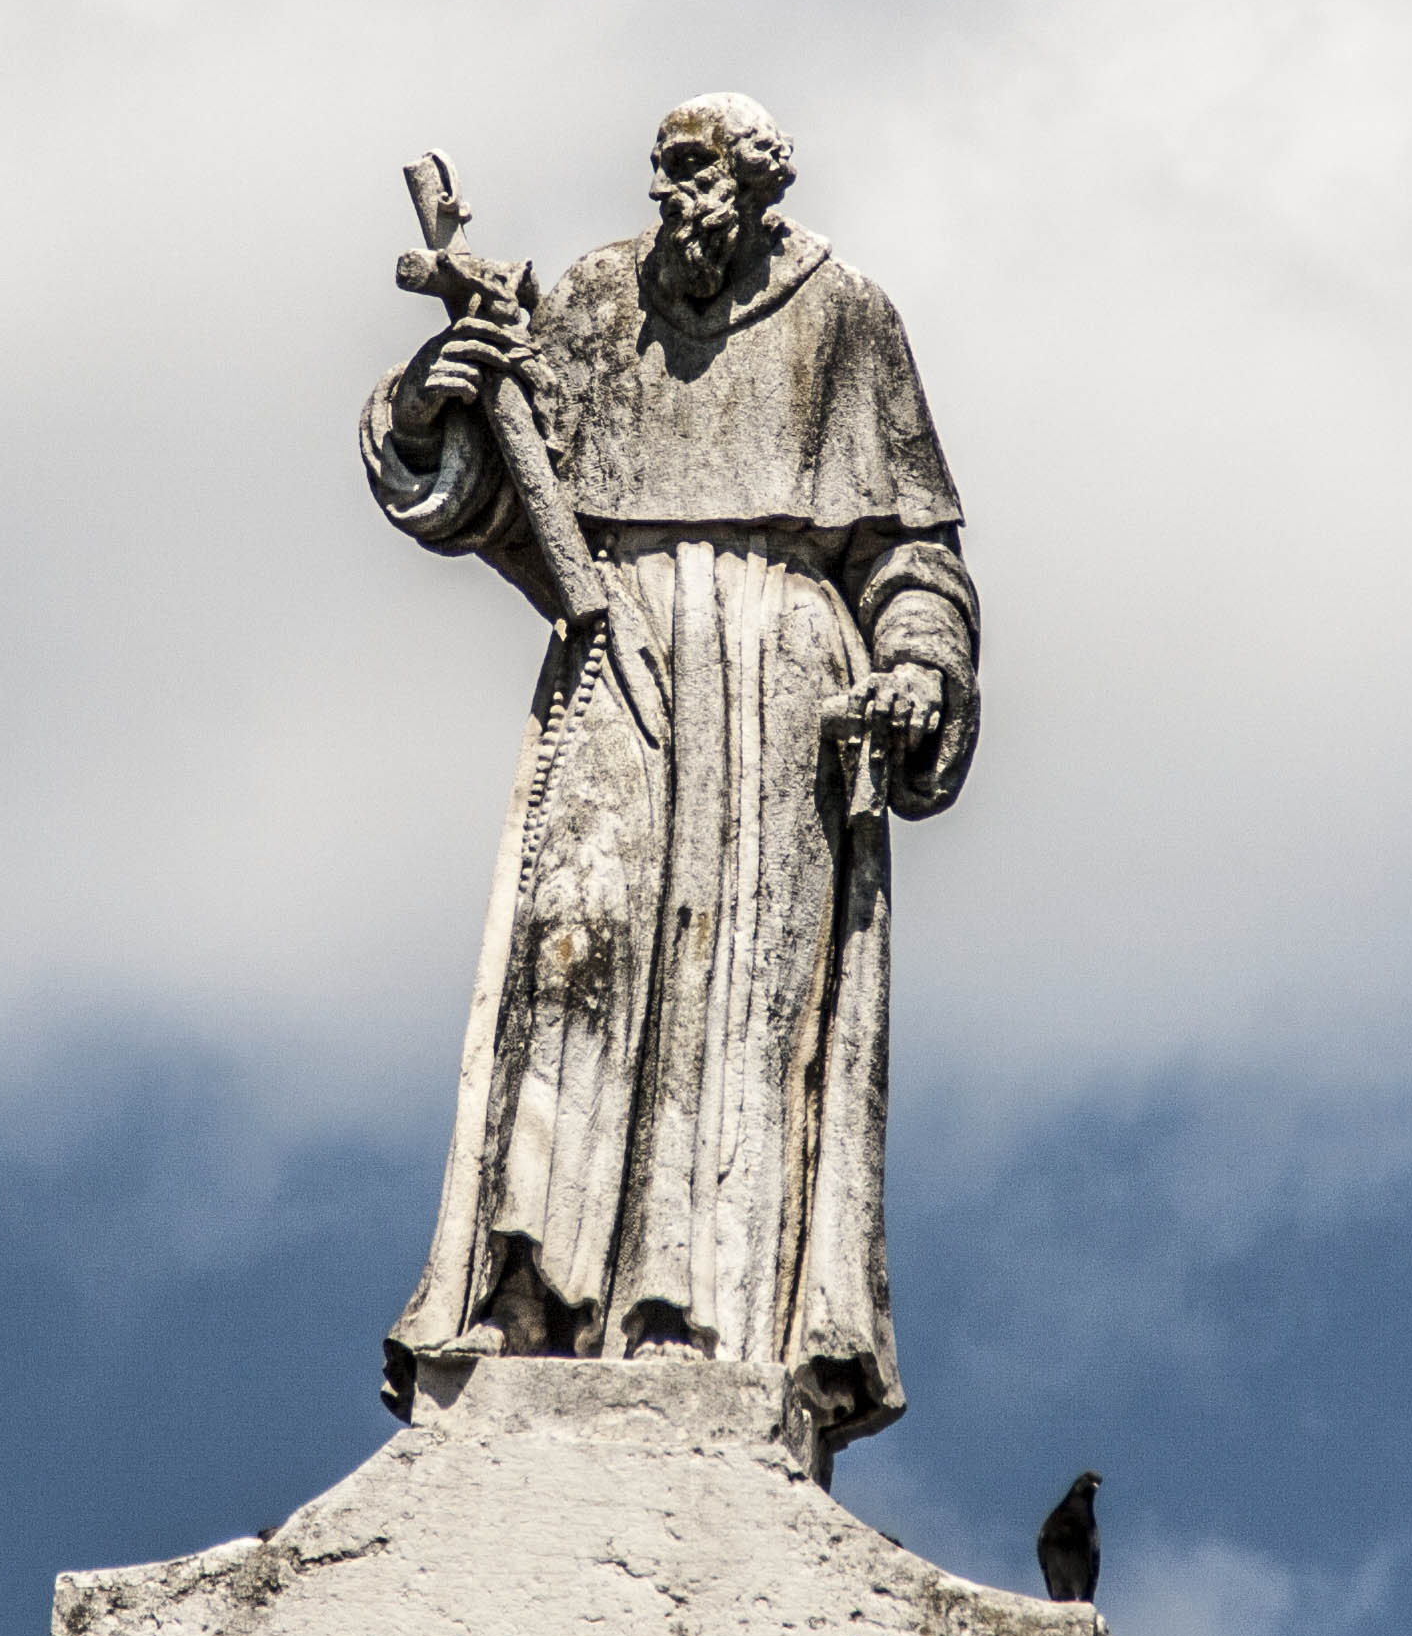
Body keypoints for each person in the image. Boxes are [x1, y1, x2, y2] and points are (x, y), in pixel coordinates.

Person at [362, 91, 978, 1447]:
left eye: (700, 172)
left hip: (783, 681)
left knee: (745, 996)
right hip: (615, 651)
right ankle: (528, 1291)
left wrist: (918, 666)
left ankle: (706, 1318)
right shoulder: (591, 302)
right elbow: (492, 487)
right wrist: (429, 409)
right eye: (662, 173)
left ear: (759, 186)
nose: (675, 200)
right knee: (577, 949)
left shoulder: (847, 316)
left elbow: (911, 553)